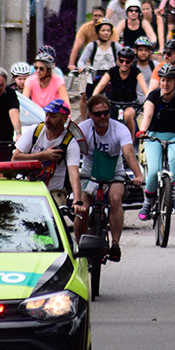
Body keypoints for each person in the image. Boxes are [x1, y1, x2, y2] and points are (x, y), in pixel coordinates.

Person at [73, 95, 145, 262]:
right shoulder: (83, 129)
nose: (103, 117)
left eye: (106, 113)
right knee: (82, 208)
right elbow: (72, 153)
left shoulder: (120, 129)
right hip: (90, 173)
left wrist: (138, 175)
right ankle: (80, 247)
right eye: (98, 114)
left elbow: (128, 153)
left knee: (115, 199)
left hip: (114, 173)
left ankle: (115, 244)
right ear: (90, 115)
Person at [136, 64, 175, 218]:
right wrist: (142, 131)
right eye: (163, 80)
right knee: (153, 171)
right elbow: (148, 115)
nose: (165, 84)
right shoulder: (153, 95)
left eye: (169, 81)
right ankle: (147, 204)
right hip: (154, 136)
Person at [13, 99, 85, 216]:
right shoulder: (34, 131)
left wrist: (77, 200)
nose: (47, 120)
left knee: (51, 215)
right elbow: (15, 158)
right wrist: (43, 155)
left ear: (64, 119)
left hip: (54, 192)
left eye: (53, 116)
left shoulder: (70, 142)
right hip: (29, 187)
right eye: (47, 115)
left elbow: (74, 175)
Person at [91, 46, 145, 136]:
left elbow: (144, 87)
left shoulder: (136, 71)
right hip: (113, 103)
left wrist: (149, 99)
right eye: (121, 61)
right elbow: (101, 85)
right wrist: (93, 99)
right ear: (118, 60)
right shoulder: (113, 71)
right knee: (106, 117)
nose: (124, 64)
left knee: (128, 115)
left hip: (131, 103)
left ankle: (131, 140)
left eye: (127, 62)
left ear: (132, 62)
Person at [76, 18, 120, 101]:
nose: (106, 33)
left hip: (111, 77)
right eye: (103, 30)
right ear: (98, 32)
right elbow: (82, 60)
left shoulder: (115, 46)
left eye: (108, 31)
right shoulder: (92, 46)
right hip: (95, 77)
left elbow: (123, 57)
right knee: (91, 100)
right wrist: (81, 67)